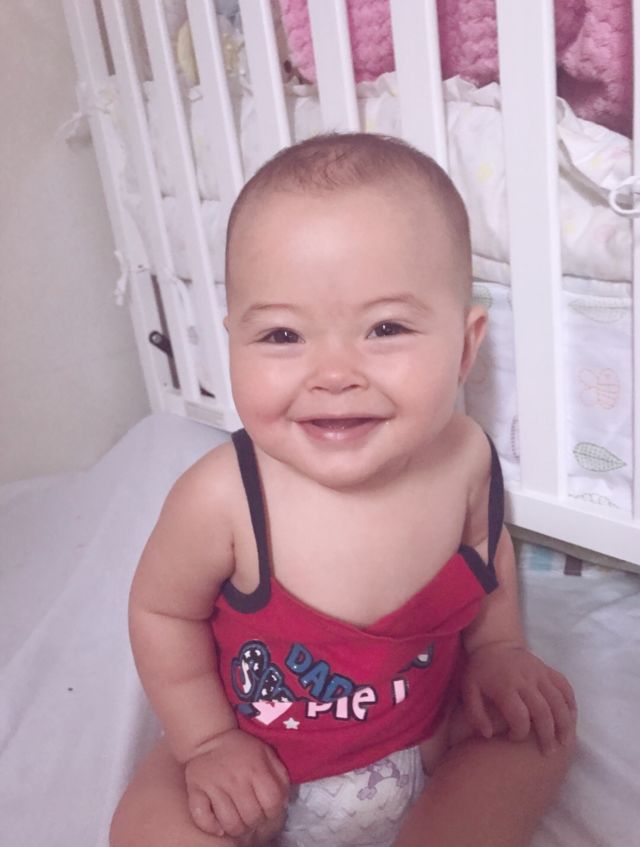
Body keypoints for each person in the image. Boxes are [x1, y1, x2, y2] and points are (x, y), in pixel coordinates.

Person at [110, 133, 576, 847]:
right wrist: (206, 743)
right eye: (281, 336)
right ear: (231, 341)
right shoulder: (224, 497)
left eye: (384, 328)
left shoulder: (465, 458)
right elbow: (161, 611)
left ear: (464, 346)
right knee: (148, 825)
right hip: (260, 758)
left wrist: (499, 649)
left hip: (430, 733)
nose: (332, 374)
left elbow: (489, 556)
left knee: (541, 734)